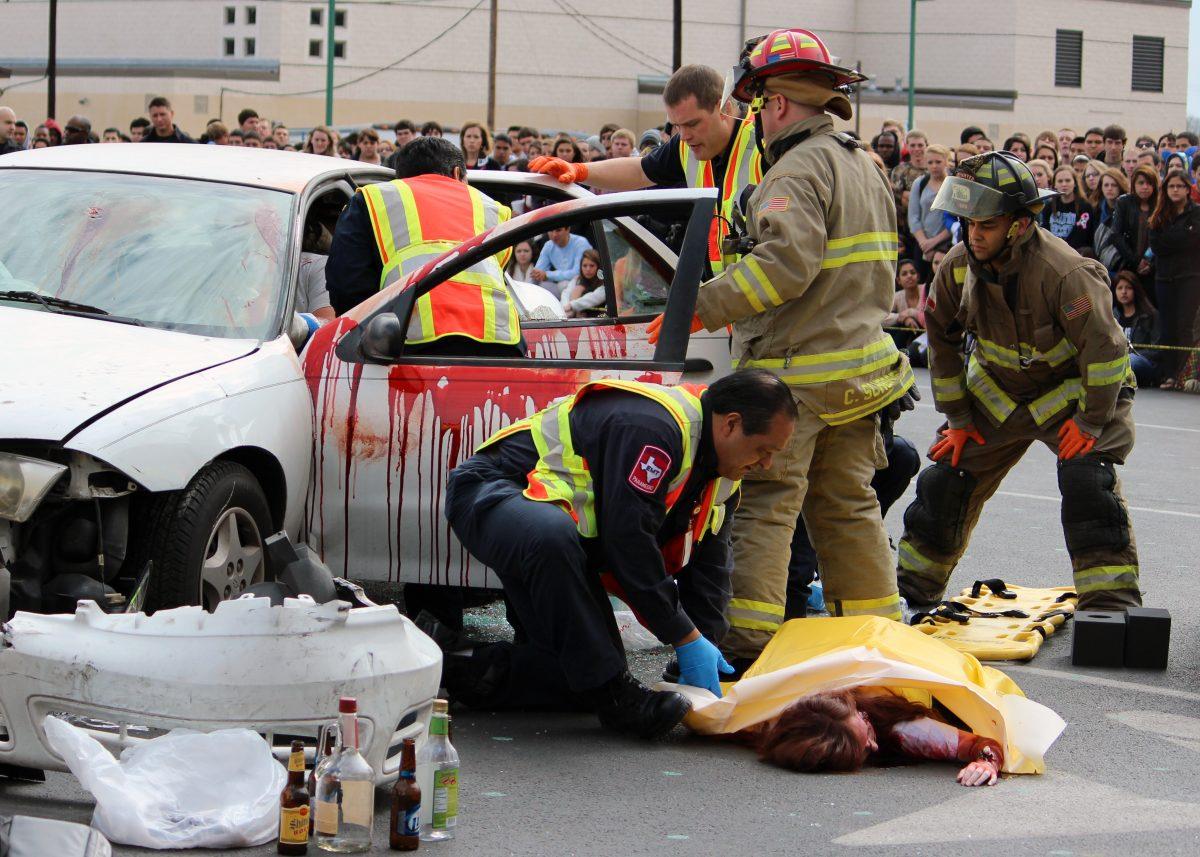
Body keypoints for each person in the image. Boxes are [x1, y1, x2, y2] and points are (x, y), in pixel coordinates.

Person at [649, 28, 914, 668]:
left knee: (766, 510)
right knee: (848, 508)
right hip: (860, 374)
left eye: (759, 103)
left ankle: (749, 650)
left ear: (775, 104)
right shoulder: (861, 164)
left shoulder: (796, 168)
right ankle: (875, 643)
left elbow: (784, 269)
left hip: (799, 377)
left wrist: (699, 305)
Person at [440, 370, 798, 737]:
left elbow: (709, 565)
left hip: (551, 539)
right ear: (731, 425)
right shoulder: (655, 430)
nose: (766, 464)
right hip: (493, 493)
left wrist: (702, 645)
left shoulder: (721, 476)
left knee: (577, 673)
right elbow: (627, 539)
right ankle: (618, 702)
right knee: (555, 543)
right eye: (764, 450)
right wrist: (682, 636)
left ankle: (442, 659)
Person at [896, 151, 1141, 613]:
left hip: (1074, 398)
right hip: (998, 397)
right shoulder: (956, 267)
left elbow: (1106, 354)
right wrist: (960, 420)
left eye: (985, 224)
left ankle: (1110, 606)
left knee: (1088, 483)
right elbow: (943, 347)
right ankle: (912, 592)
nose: (973, 233)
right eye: (968, 223)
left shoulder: (1065, 272)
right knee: (947, 480)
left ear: (1020, 224)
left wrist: (1090, 425)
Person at [528, 63, 763, 277]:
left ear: (725, 108)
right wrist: (579, 170)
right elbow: (640, 171)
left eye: (692, 123)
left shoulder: (764, 145)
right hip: (727, 295)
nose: (684, 136)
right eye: (677, 125)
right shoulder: (685, 145)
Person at [324, 136, 520, 355]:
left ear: (401, 177)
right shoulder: (493, 208)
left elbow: (346, 283)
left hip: (406, 345)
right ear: (457, 173)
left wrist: (365, 340)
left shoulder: (373, 199)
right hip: (499, 344)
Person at [1147, 169, 1200, 390]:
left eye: (1179, 186)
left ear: (1188, 189)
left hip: (1190, 277)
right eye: (1171, 186)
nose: (1175, 190)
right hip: (1164, 277)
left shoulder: (1196, 214)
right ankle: (1169, 374)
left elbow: (1192, 240)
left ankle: (1182, 374)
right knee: (1167, 326)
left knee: (1185, 326)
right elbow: (1157, 245)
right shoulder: (1159, 215)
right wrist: (1181, 236)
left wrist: (1175, 238)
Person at [1109, 165, 1159, 292]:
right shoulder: (1124, 202)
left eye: (1149, 183)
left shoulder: (1160, 205)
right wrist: (1136, 261)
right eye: (1141, 183)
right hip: (1128, 263)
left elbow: (1161, 237)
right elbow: (1116, 235)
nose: (1145, 187)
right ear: (1134, 184)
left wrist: (1149, 263)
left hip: (1154, 267)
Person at [908, 143, 952, 276]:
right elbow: (913, 217)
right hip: (922, 245)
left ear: (946, 161)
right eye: (930, 162)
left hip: (946, 244)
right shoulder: (919, 183)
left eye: (938, 162)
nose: (934, 166)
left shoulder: (953, 183)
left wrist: (934, 242)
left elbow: (956, 219)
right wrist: (924, 243)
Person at [1111, 269, 1159, 387]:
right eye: (1120, 288)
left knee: (1130, 360)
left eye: (1128, 288)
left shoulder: (1150, 315)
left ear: (1135, 290)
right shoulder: (1111, 316)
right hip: (1117, 360)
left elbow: (1157, 350)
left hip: (1144, 361)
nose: (1124, 292)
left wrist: (1132, 354)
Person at [1042, 164, 1095, 253]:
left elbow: (1082, 237)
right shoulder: (1048, 207)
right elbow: (1045, 234)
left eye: (1068, 180)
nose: (1064, 184)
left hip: (1076, 254)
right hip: (1053, 252)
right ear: (1054, 184)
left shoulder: (1085, 207)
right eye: (1060, 181)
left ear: (1074, 183)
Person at [530, 226, 592, 296]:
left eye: (558, 230)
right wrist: (537, 275)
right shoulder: (548, 245)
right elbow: (538, 271)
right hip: (563, 285)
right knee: (540, 287)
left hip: (585, 284)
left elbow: (578, 273)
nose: (554, 235)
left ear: (568, 229)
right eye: (550, 231)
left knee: (564, 285)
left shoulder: (581, 243)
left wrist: (547, 275)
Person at [1094, 167, 1130, 272]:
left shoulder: (1128, 209)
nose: (1109, 188)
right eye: (1106, 185)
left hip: (1123, 265)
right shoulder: (1096, 210)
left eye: (1114, 185)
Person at [560, 248, 606, 317]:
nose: (588, 269)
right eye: (584, 266)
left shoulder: (604, 282)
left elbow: (595, 297)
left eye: (592, 265)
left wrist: (572, 305)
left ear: (598, 266)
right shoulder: (577, 280)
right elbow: (566, 294)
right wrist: (566, 307)